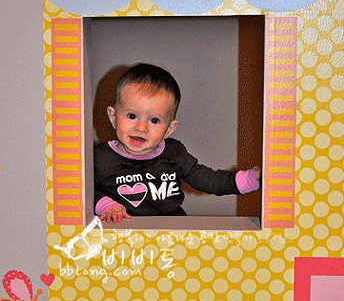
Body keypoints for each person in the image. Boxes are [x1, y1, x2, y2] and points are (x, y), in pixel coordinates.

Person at [94, 63, 260, 223]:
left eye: (154, 120)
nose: (141, 128)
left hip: (172, 230)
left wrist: (252, 179)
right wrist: (104, 204)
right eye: (132, 116)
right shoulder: (100, 157)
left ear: (169, 129)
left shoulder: (174, 154)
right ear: (113, 117)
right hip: (121, 233)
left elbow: (208, 179)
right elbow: (85, 191)